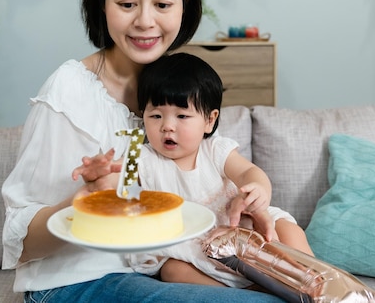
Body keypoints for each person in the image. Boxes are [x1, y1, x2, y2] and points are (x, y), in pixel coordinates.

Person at [1, 0, 285, 303]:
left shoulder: (178, 87)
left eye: (163, 4)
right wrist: (81, 202)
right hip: (77, 281)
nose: (145, 22)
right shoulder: (69, 90)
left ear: (185, 3)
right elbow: (21, 245)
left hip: (157, 271)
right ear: (102, 2)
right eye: (127, 3)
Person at [130, 52, 313, 288]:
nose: (167, 126)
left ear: (209, 120)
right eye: (155, 115)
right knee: (173, 271)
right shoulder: (143, 158)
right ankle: (243, 294)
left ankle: (314, 285)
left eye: (182, 116)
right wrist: (103, 175)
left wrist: (257, 189)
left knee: (288, 231)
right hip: (195, 251)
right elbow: (119, 185)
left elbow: (249, 173)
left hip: (243, 232)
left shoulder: (214, 150)